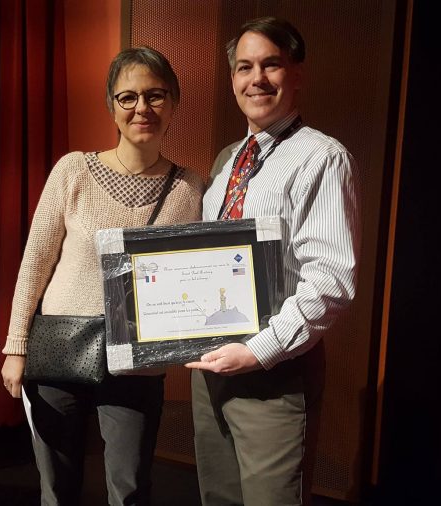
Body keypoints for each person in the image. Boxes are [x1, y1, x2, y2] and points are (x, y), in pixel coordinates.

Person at [0, 47, 203, 505]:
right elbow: (35, 262)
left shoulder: (191, 187)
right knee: (58, 487)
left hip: (136, 362)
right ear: (110, 106)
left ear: (173, 103)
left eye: (155, 95)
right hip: (59, 348)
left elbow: (191, 278)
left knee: (130, 489)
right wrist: (16, 347)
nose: (141, 108)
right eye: (127, 97)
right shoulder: (73, 170)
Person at [185, 17, 360, 506]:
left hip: (273, 372)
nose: (255, 78)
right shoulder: (224, 163)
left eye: (271, 64)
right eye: (244, 67)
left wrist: (258, 351)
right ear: (233, 79)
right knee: (217, 497)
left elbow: (329, 283)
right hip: (211, 368)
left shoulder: (322, 158)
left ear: (296, 73)